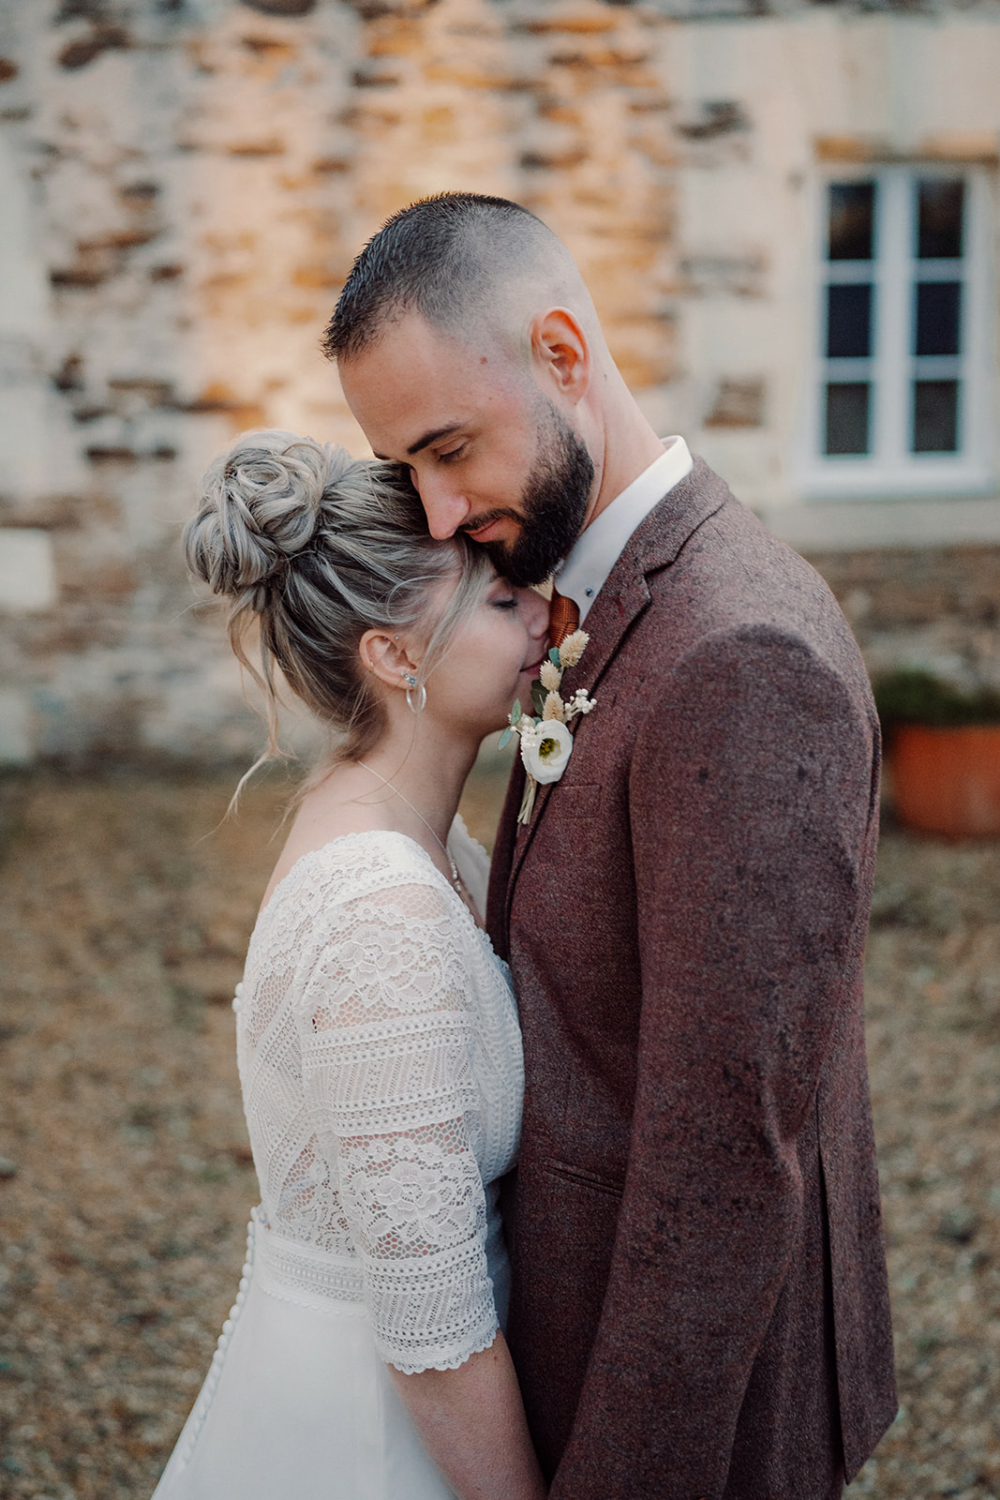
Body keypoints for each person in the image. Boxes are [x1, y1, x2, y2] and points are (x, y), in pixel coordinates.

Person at [324, 192, 898, 1499]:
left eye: (449, 449)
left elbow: (723, 1167)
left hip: (689, 1426)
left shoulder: (740, 659)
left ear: (563, 354)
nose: (434, 515)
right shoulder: (600, 594)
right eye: (407, 469)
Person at [152, 429, 549, 1500]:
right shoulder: (381, 912)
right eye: (501, 601)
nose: (545, 616)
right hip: (373, 1434)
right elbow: (434, 1332)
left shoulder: (416, 830)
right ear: (395, 656)